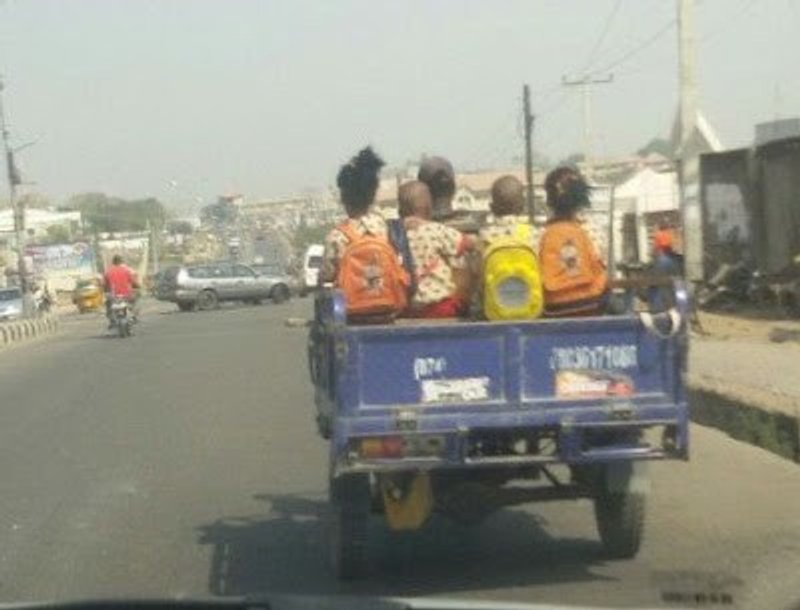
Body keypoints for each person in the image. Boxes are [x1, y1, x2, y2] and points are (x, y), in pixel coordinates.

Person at [539, 167, 608, 317]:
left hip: (554, 308)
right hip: (592, 304)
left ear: (549, 200)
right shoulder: (592, 230)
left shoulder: (541, 235)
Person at [399, 180, 474, 318]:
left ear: (399, 212)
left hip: (406, 309)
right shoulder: (437, 230)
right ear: (429, 208)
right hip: (440, 307)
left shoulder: (393, 235)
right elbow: (469, 244)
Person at [319, 146, 389, 284]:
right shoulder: (388, 228)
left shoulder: (337, 237)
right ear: (373, 194)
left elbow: (328, 274)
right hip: (389, 301)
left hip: (353, 303)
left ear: (344, 199)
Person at [478, 175, 544, 320]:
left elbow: (479, 280)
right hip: (531, 311)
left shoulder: (484, 236)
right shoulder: (533, 233)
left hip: (494, 313)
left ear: (492, 207)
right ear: (522, 206)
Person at [103, 254, 139, 325]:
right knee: (133, 302)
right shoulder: (127, 270)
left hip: (113, 296)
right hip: (127, 295)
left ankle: (111, 320)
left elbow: (104, 285)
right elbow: (133, 282)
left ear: (113, 262)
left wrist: (106, 291)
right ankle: (133, 316)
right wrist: (137, 286)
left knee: (108, 304)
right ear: (121, 262)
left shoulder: (108, 272)